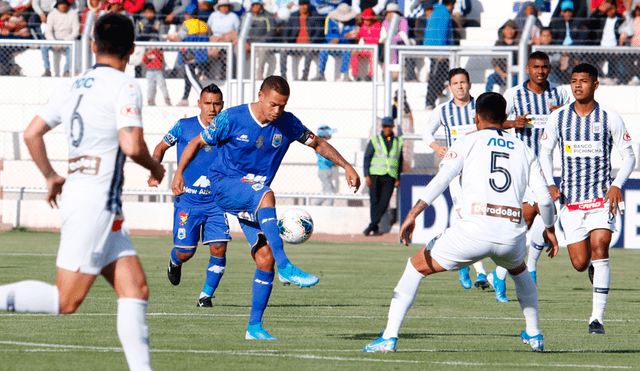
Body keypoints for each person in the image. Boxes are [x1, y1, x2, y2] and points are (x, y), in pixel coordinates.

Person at [0, 13, 164, 370]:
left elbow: (31, 134)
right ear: (133, 50)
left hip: (88, 198)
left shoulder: (71, 85)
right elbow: (132, 145)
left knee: (135, 290)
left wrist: (50, 175)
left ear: (92, 45)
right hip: (96, 202)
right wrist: (156, 167)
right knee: (65, 300)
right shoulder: (124, 86)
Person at [363, 92, 559, 353]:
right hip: (511, 233)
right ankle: (535, 334)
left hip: (474, 231)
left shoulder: (467, 142)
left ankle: (389, 337)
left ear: (476, 117)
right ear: (505, 118)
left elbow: (443, 179)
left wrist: (414, 212)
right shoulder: (525, 150)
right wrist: (550, 229)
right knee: (520, 271)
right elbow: (545, 200)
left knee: (414, 268)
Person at [172, 75, 360, 340]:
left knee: (264, 258)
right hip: (224, 185)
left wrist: (346, 165)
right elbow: (196, 142)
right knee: (266, 194)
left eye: (282, 106)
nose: (277, 111)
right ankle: (286, 266)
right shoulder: (231, 118)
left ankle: (254, 327)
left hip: (253, 197)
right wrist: (179, 172)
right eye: (273, 104)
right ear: (260, 95)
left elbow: (317, 143)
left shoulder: (288, 122)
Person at [540, 63, 636, 334]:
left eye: (584, 80)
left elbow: (629, 156)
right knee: (580, 263)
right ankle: (593, 268)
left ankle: (597, 318)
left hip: (601, 200)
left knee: (601, 245)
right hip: (571, 202)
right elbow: (545, 152)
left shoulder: (610, 117)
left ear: (595, 85)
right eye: (574, 80)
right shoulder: (558, 117)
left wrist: (617, 185)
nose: (578, 85)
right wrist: (549, 183)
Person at [486, 51, 571, 302]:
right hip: (519, 165)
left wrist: (562, 114)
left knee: (542, 214)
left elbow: (574, 120)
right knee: (525, 218)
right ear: (527, 68)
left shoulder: (559, 94)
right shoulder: (513, 95)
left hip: (546, 167)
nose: (541, 71)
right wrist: (513, 123)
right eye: (536, 67)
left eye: (545, 67)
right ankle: (507, 272)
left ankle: (512, 271)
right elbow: (491, 122)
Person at [148, 84, 229, 307]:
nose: (212, 108)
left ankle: (205, 296)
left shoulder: (228, 129)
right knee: (186, 252)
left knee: (219, 247)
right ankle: (175, 261)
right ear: (199, 104)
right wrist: (156, 170)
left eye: (216, 103)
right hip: (188, 200)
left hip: (217, 202)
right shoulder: (184, 127)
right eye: (207, 103)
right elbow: (160, 147)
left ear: (222, 105)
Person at [421, 68, 489, 290]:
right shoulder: (443, 110)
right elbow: (426, 133)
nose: (460, 87)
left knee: (473, 219)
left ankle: (465, 265)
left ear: (470, 85)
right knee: (469, 217)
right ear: (450, 87)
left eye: (463, 82)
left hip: (479, 171)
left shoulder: (481, 106)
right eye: (455, 83)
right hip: (456, 173)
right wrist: (436, 147)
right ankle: (480, 273)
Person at [363, 116, 403, 236]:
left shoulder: (398, 142)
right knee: (374, 202)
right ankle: (375, 228)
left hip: (390, 176)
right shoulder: (375, 140)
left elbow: (400, 160)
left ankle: (371, 226)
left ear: (392, 127)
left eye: (389, 126)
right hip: (375, 174)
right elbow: (367, 158)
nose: (387, 129)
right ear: (382, 127)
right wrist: (367, 175)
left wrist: (398, 177)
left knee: (384, 203)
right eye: (385, 126)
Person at [168, 3, 211, 106]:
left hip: (189, 55)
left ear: (188, 14)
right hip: (202, 55)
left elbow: (179, 38)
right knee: (188, 77)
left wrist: (169, 38)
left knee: (191, 77)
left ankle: (204, 98)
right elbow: (209, 35)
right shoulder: (204, 24)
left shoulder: (187, 24)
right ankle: (185, 98)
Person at [312, 3, 357, 82]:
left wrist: (339, 38)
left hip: (344, 46)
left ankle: (344, 74)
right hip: (332, 46)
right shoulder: (330, 19)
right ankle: (320, 73)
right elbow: (328, 35)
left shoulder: (352, 21)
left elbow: (351, 37)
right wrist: (341, 37)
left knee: (347, 49)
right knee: (323, 48)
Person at [280, 0, 324, 81]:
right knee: (283, 50)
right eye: (301, 5)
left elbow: (319, 32)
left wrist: (311, 43)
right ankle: (283, 75)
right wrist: (285, 41)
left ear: (308, 6)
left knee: (309, 52)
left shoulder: (315, 15)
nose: (303, 7)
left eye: (305, 5)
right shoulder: (294, 15)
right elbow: (286, 30)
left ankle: (305, 76)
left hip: (309, 45)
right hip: (295, 45)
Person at [423, 0, 454, 109]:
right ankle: (429, 101)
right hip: (438, 50)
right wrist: (441, 52)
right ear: (450, 4)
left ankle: (438, 91)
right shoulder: (444, 13)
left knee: (444, 73)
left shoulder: (436, 10)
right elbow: (442, 32)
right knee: (436, 76)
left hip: (433, 47)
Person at [241, 0, 278, 80]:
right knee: (238, 48)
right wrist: (246, 42)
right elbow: (241, 30)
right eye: (254, 5)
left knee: (261, 49)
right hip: (248, 43)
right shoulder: (246, 15)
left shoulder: (268, 15)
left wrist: (260, 42)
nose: (256, 6)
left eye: (258, 4)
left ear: (261, 5)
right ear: (251, 6)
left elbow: (271, 32)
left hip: (262, 43)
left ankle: (259, 73)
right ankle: (238, 74)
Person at [42, 0, 79, 78]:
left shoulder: (73, 14)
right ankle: (47, 69)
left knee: (74, 47)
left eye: (65, 4)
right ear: (57, 5)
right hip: (54, 41)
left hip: (68, 41)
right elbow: (48, 32)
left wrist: (65, 42)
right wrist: (54, 42)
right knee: (43, 46)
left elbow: (76, 32)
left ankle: (66, 70)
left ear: (68, 5)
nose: (63, 6)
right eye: (61, 4)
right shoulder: (52, 14)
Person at [207, 0, 240, 79]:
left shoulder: (233, 16)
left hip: (228, 41)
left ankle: (228, 74)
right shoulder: (213, 15)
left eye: (226, 6)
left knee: (231, 52)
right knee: (209, 51)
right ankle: (207, 74)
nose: (224, 8)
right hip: (215, 40)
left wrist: (225, 37)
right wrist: (214, 38)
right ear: (219, 7)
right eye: (222, 6)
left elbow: (238, 31)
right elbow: (208, 28)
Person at [486, 19, 519, 93]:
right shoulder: (499, 44)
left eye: (512, 29)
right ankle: (487, 98)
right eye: (507, 29)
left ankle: (510, 98)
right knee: (490, 78)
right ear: (503, 31)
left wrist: (514, 71)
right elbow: (495, 62)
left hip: (515, 73)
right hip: (501, 74)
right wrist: (501, 73)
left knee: (514, 80)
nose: (510, 31)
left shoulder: (519, 44)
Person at [347, 7, 380, 81]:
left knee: (373, 54)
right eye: (364, 19)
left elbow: (375, 40)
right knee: (354, 52)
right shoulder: (364, 26)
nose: (365, 20)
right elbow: (358, 35)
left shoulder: (377, 25)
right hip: (365, 48)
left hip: (373, 48)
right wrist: (351, 35)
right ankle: (355, 75)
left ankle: (370, 75)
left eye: (367, 19)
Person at [313, 125, 339, 206]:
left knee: (326, 191)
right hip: (325, 171)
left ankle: (314, 206)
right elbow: (325, 158)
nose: (331, 135)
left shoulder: (320, 143)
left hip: (325, 170)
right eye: (329, 133)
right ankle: (329, 209)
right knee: (330, 193)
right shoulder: (322, 144)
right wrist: (333, 162)